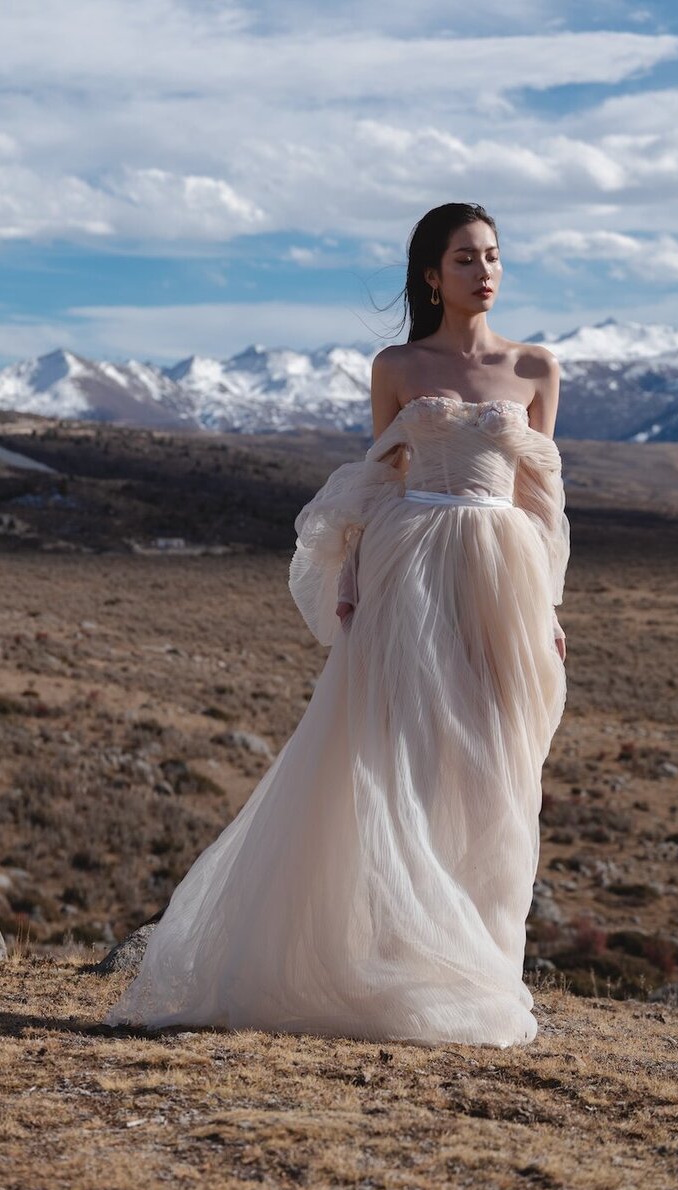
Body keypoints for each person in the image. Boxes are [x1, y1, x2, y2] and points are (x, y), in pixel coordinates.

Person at [102, 202, 570, 1049]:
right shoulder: (395, 363)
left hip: (504, 575)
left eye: (494, 255)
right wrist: (351, 571)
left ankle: (483, 965)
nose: (485, 270)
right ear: (432, 275)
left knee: (497, 765)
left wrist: (550, 607)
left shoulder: (536, 366)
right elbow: (378, 476)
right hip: (409, 564)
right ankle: (393, 954)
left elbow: (541, 496)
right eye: (465, 258)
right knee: (401, 751)